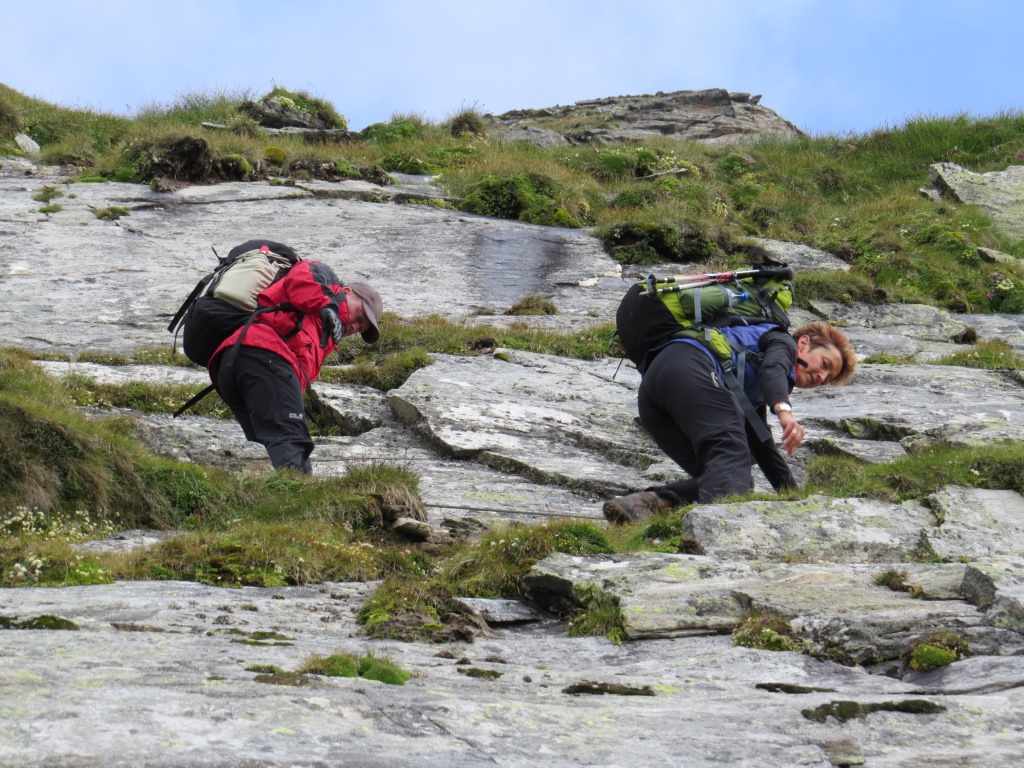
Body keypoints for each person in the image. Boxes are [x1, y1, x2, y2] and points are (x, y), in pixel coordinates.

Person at [603, 321, 856, 524]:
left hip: (655, 394)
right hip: (692, 366)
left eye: (827, 378)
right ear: (804, 343)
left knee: (735, 479)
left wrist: (795, 498)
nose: (821, 376)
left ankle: (643, 504)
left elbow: (763, 446)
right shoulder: (782, 342)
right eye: (824, 364)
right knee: (732, 462)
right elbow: (774, 369)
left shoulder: (750, 383)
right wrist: (784, 411)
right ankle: (710, 530)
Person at [209, 258, 382, 474]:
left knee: (278, 450)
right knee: (290, 441)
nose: (354, 326)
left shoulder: (323, 335)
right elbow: (301, 280)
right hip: (263, 355)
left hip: (237, 364)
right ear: (347, 291)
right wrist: (327, 307)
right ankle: (294, 493)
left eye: (360, 327)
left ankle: (271, 492)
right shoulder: (322, 279)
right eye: (359, 315)